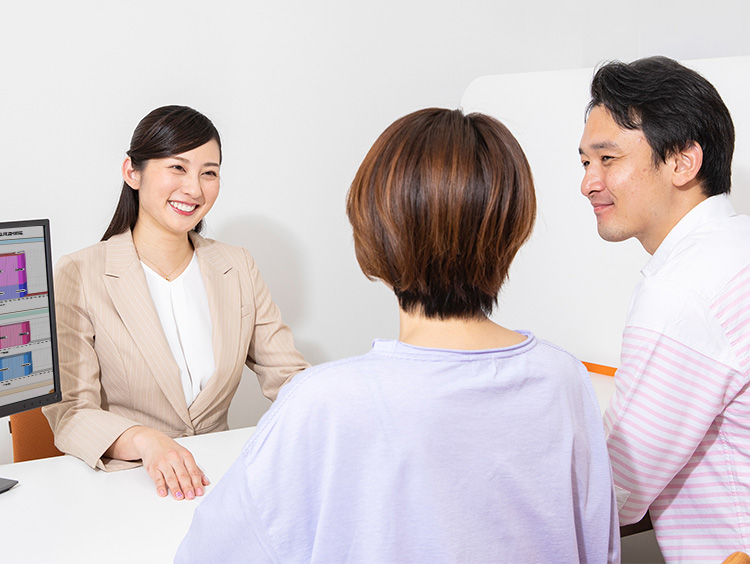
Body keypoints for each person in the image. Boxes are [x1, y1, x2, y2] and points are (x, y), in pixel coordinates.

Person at [175, 108, 619, 563]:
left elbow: (207, 555)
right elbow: (597, 548)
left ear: (373, 231)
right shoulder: (564, 379)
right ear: (514, 227)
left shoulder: (324, 402)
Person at [43, 105, 308, 501]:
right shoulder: (80, 272)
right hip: (128, 485)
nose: (194, 189)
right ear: (132, 172)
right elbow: (71, 413)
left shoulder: (237, 265)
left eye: (209, 173)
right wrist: (145, 440)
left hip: (217, 481)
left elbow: (288, 376)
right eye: (177, 168)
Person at [578, 56, 750, 562]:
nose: (588, 183)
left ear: (682, 162)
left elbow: (615, 491)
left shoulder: (681, 291)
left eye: (608, 159)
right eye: (585, 163)